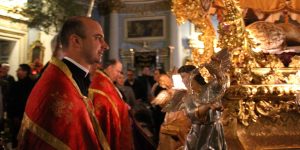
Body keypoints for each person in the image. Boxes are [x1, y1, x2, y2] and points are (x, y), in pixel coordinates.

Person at [18, 16, 110, 150]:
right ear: (76, 41)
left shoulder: (70, 78)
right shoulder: (60, 87)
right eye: (98, 38)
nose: (106, 46)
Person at [89, 59, 133, 150]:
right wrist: (123, 107)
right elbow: (104, 104)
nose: (119, 75)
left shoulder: (107, 81)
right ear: (110, 68)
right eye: (118, 71)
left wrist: (123, 106)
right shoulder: (100, 82)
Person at [6, 64, 35, 148]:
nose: (17, 72)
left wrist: (16, 115)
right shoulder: (18, 84)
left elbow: (20, 101)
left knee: (20, 138)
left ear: (25, 72)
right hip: (21, 116)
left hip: (21, 116)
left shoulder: (25, 85)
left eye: (19, 70)